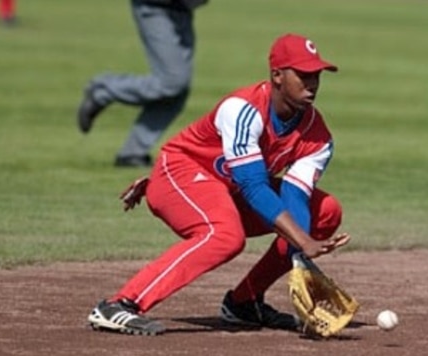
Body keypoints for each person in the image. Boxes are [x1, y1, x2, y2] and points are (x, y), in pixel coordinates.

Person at [87, 33, 350, 336]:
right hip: (181, 174)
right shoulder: (243, 109)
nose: (312, 83)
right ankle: (120, 304)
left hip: (228, 190)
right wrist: (302, 243)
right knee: (226, 235)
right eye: (303, 74)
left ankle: (244, 302)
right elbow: (254, 187)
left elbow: (294, 196)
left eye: (316, 74)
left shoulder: (317, 137)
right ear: (277, 75)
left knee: (326, 210)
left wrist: (299, 255)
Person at [77, 0, 208, 167]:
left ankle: (132, 153)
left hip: (181, 9)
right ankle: (104, 90)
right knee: (172, 81)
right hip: (156, 6)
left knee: (177, 91)